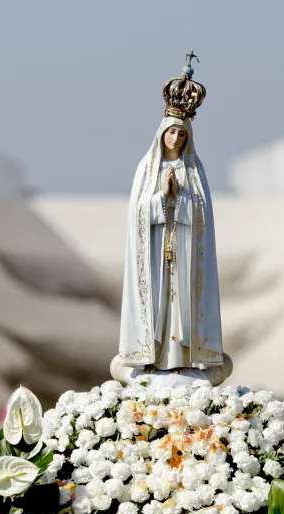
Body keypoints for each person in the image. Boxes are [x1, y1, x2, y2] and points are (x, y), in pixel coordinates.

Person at [111, 51, 231, 386]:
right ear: (162, 134)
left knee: (181, 306)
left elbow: (203, 216)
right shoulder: (148, 169)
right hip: (154, 252)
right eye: (171, 133)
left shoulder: (194, 171)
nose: (175, 139)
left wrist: (182, 201)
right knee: (158, 303)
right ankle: (152, 356)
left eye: (182, 134)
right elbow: (137, 213)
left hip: (185, 250)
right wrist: (162, 199)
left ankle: (180, 359)